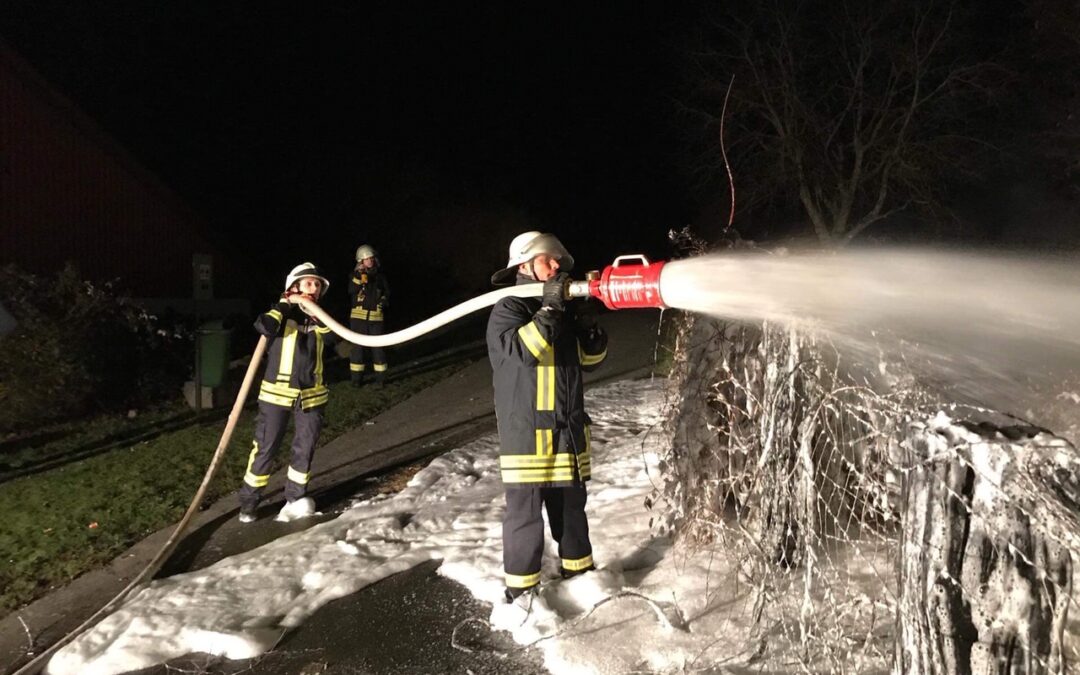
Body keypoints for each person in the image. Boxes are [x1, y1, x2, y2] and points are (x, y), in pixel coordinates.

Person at [486, 231, 608, 602]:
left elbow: (590, 363)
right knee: (525, 517)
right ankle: (521, 595)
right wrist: (550, 310)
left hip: (567, 432)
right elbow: (522, 353)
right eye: (547, 260)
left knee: (572, 510)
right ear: (524, 265)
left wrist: (589, 331)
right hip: (528, 437)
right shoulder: (508, 308)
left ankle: (581, 576)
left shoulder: (561, 313)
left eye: (558, 261)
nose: (556, 267)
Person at [238, 263, 337, 523]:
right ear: (293, 287)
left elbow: (333, 340)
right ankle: (249, 502)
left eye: (317, 284)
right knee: (266, 449)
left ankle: (296, 499)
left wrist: (317, 317)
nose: (313, 288)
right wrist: (285, 304)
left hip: (311, 396)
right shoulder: (281, 314)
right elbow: (264, 327)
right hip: (276, 396)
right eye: (308, 283)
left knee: (304, 450)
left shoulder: (321, 317)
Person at [348, 244, 391, 387]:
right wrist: (360, 276)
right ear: (361, 261)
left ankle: (381, 380)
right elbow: (352, 290)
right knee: (357, 350)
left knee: (378, 349)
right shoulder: (355, 276)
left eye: (371, 258)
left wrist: (383, 301)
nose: (370, 261)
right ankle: (356, 381)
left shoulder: (380, 277)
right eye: (366, 259)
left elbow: (386, 293)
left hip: (376, 319)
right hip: (358, 319)